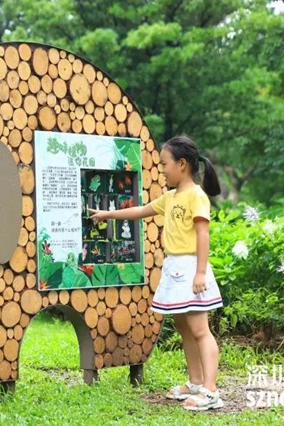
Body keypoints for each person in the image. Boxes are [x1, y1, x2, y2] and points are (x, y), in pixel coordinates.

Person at [88, 135, 224, 411]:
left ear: (182, 164)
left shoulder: (196, 196)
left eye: (165, 163)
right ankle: (196, 383)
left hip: (190, 268)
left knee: (200, 330)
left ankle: (210, 391)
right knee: (184, 328)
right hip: (174, 268)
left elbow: (202, 235)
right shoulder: (171, 197)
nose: (162, 169)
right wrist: (107, 215)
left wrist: (200, 273)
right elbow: (141, 210)